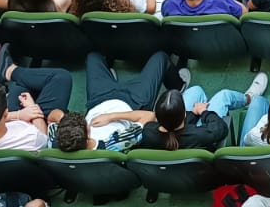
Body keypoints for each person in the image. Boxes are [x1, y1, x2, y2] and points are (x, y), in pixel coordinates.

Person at [52, 52, 180, 153]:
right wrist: (111, 116)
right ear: (88, 133)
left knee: (93, 57)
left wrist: (65, 121)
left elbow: (53, 115)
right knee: (160, 57)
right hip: (132, 102)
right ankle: (179, 85)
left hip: (98, 99)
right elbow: (149, 116)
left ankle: (108, 76)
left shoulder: (60, 140)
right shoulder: (114, 144)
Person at [135, 75, 267, 152]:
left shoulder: (148, 132)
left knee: (196, 91)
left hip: (184, 131)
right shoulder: (199, 135)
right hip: (202, 131)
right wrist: (203, 112)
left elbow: (175, 129)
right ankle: (248, 98)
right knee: (224, 95)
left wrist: (193, 113)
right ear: (184, 115)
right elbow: (220, 128)